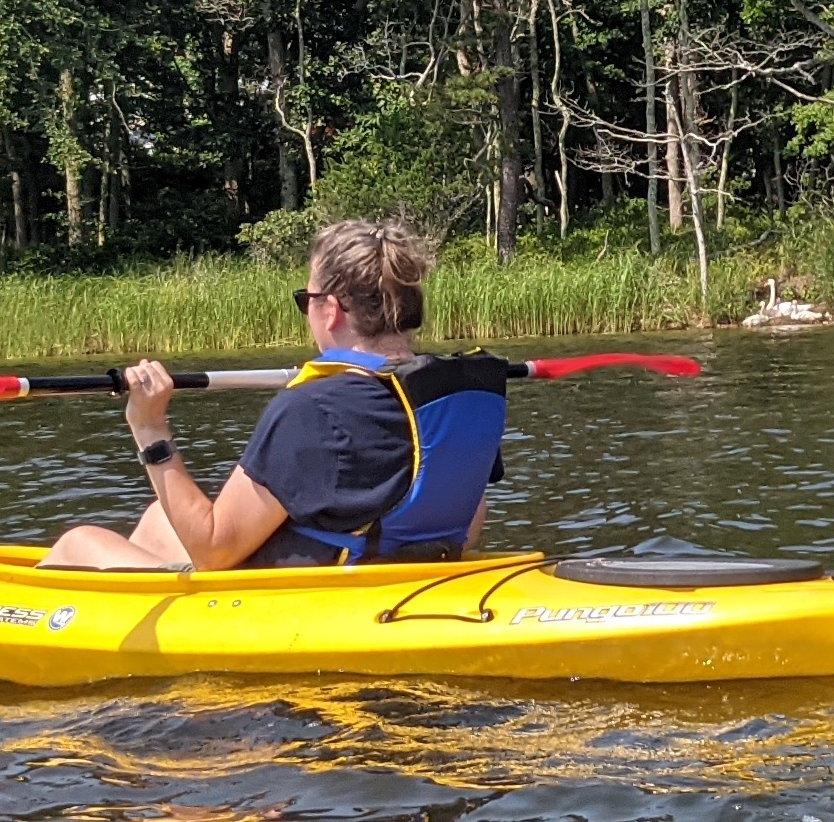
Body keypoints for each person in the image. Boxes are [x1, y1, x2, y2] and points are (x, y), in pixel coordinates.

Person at [39, 219, 516, 571]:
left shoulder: (311, 407)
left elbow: (213, 547)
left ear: (330, 309)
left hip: (309, 593)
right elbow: (468, 526)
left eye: (305, 300)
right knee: (158, 520)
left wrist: (149, 428)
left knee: (80, 542)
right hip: (405, 576)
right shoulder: (459, 391)